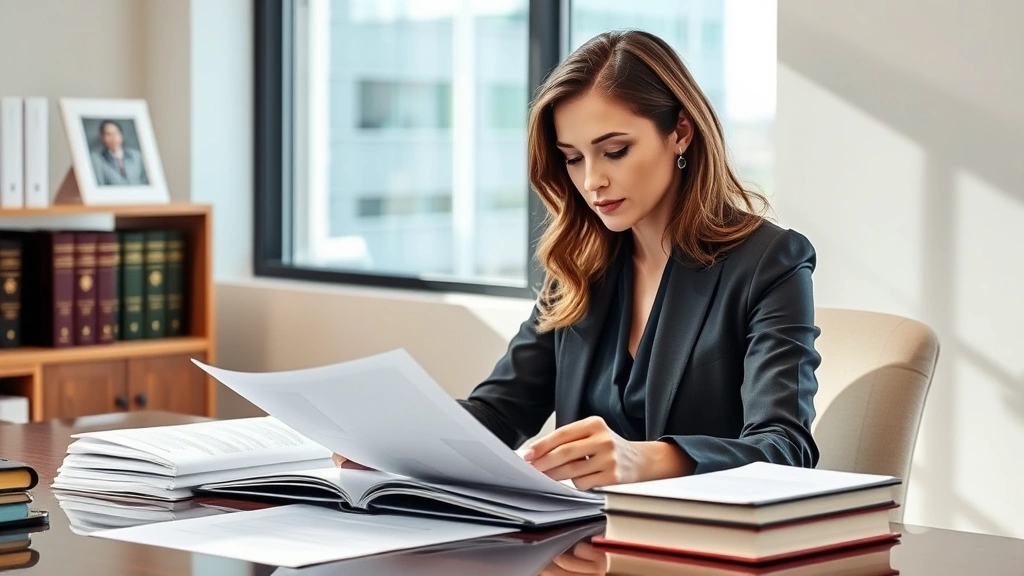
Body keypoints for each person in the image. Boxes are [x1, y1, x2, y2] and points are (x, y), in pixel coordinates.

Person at [334, 29, 821, 490]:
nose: (591, 182)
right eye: (572, 157)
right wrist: (397, 444)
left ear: (680, 132)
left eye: (614, 150)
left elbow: (785, 447)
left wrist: (645, 458)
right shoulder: (579, 262)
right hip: (583, 543)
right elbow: (502, 411)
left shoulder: (769, 261)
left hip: (699, 549)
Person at [90, 120, 149, 186]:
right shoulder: (97, 159)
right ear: (103, 138)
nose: (113, 138)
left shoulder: (136, 156)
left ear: (121, 135)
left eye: (116, 133)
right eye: (109, 134)